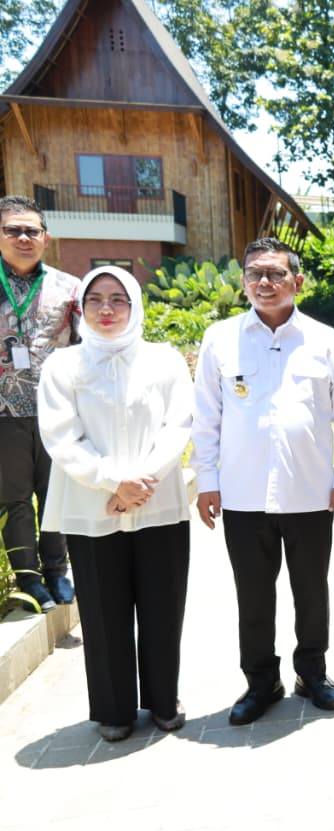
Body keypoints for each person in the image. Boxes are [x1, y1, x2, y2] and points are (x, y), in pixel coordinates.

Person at [191, 237, 334, 726]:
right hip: (242, 495)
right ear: (243, 281)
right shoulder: (220, 339)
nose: (264, 282)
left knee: (312, 590)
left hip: (308, 491)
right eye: (254, 274)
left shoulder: (326, 341)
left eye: (275, 274)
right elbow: (205, 416)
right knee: (253, 594)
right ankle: (260, 681)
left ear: (298, 282)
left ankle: (313, 672)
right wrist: (207, 480)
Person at [37, 266, 193, 742]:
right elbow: (61, 437)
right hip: (92, 507)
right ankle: (114, 708)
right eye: (96, 300)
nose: (106, 310)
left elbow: (179, 423)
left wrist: (141, 482)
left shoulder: (164, 360)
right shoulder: (62, 366)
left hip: (158, 501)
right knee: (103, 614)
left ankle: (164, 699)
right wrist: (112, 483)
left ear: (134, 305)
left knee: (163, 605)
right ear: (81, 308)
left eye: (118, 299)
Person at [0, 195, 78, 612]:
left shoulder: (69, 288)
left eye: (31, 230)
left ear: (45, 237)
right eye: (13, 229)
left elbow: (86, 350)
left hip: (57, 412)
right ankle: (29, 580)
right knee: (13, 500)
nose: (23, 237)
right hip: (3, 416)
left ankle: (57, 572)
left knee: (56, 495)